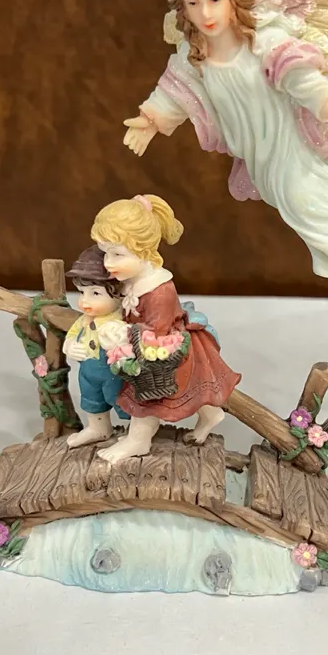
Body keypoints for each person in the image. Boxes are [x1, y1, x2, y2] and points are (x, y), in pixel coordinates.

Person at [91, 194, 241, 463]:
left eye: (117, 254)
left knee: (147, 396)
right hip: (147, 346)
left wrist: (122, 334)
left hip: (164, 351)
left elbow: (156, 333)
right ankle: (210, 415)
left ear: (144, 251)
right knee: (193, 391)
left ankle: (138, 441)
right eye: (106, 253)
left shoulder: (158, 291)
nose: (108, 262)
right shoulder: (132, 280)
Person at [62, 246, 130, 448]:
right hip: (88, 370)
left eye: (95, 293)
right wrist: (69, 346)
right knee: (92, 399)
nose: (85, 301)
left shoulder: (122, 319)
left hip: (115, 373)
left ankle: (135, 432)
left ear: (120, 293)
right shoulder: (85, 319)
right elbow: (72, 334)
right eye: (82, 292)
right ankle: (99, 428)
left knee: (123, 400)